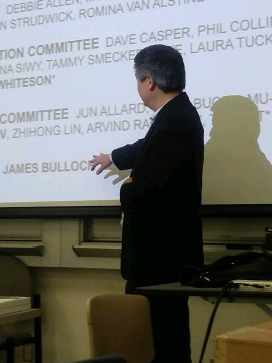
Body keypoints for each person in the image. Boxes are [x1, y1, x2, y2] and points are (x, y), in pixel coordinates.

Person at [90, 44, 204, 363]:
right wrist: (114, 157)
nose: (138, 87)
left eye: (138, 80)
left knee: (160, 345)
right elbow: (147, 146)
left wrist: (128, 189)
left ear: (149, 81)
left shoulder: (174, 121)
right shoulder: (175, 115)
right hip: (164, 257)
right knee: (164, 341)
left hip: (159, 258)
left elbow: (151, 191)